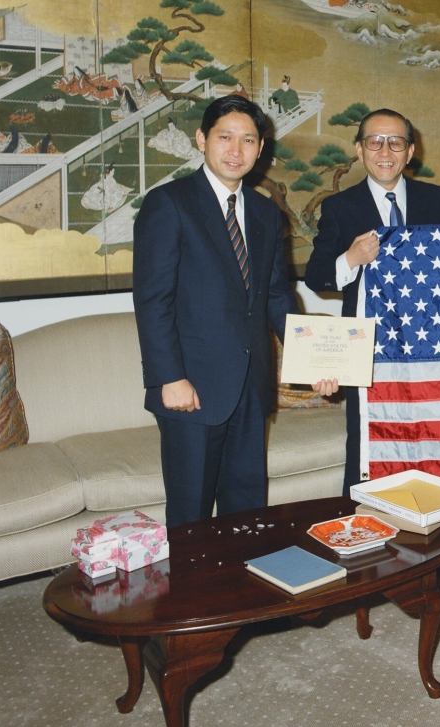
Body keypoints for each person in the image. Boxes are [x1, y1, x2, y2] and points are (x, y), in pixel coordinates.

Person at [133, 95, 338, 528]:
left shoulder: (265, 211)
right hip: (190, 387)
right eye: (225, 137)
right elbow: (153, 301)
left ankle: (243, 591)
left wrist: (315, 361)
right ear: (201, 139)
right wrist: (169, 377)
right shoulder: (168, 204)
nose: (235, 150)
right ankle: (187, 597)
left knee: (247, 511)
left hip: (251, 385)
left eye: (248, 140)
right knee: (190, 513)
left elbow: (278, 296)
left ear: (260, 149)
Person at [304, 109, 440, 579]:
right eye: (374, 142)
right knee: (370, 445)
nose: (384, 152)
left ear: (411, 152)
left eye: (396, 142)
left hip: (429, 343)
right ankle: (365, 541)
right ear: (358, 150)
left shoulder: (436, 199)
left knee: (431, 439)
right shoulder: (340, 207)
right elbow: (317, 277)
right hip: (367, 345)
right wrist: (350, 258)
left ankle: (439, 545)